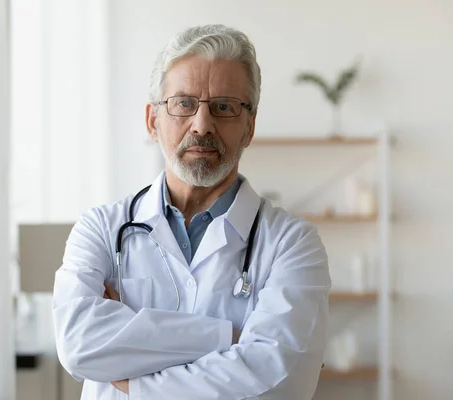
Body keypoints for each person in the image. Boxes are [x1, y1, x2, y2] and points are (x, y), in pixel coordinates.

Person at [53, 24, 331, 400]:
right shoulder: (101, 228)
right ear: (153, 120)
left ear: (249, 127)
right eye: (184, 103)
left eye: (224, 107)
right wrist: (227, 337)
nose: (202, 125)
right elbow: (79, 344)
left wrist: (131, 381)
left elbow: (280, 383)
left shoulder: (292, 243)